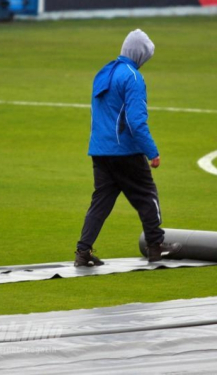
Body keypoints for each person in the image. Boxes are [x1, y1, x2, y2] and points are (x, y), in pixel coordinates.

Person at [75, 29, 181, 267]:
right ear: (139, 54)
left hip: (100, 151)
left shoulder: (104, 72)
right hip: (125, 151)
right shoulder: (132, 77)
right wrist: (152, 151)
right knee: (146, 195)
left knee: (100, 202)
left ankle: (83, 252)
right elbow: (135, 121)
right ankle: (156, 246)